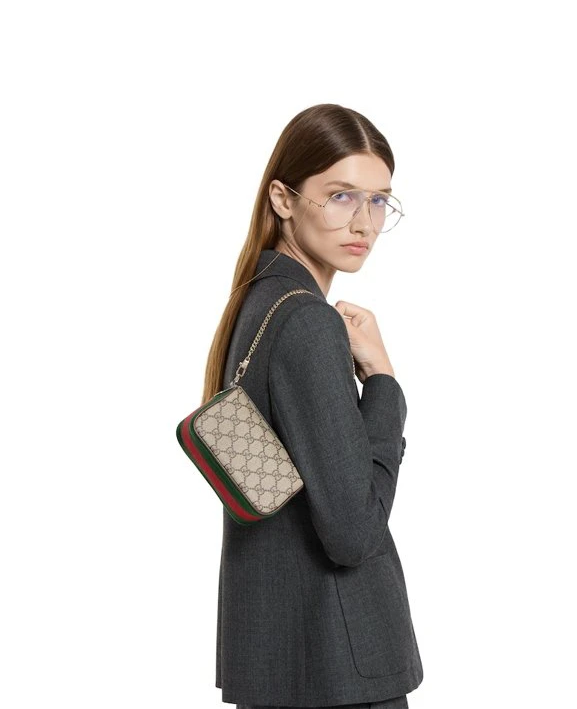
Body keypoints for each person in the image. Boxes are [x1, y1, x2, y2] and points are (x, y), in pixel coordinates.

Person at [201, 103, 423, 708]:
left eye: (379, 201)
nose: (364, 222)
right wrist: (382, 382)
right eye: (341, 196)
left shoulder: (256, 303)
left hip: (279, 662)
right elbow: (353, 532)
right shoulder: (306, 322)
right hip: (337, 671)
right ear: (282, 198)